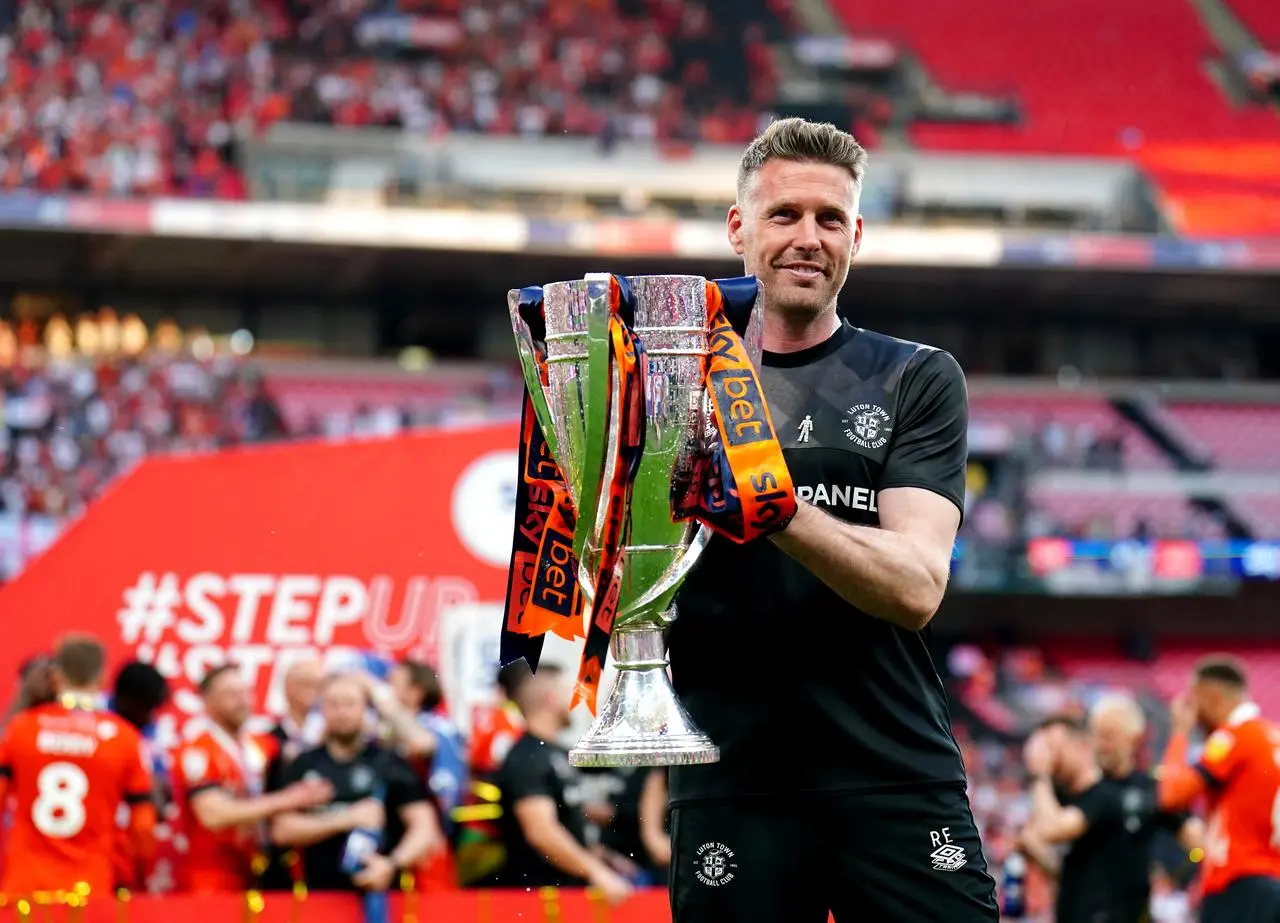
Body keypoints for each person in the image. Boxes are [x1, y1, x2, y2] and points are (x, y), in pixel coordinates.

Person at [665, 116, 997, 922]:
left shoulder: (915, 376)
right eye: (784, 215)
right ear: (739, 228)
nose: (807, 237)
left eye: (830, 218)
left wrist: (776, 508)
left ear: (857, 235)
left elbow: (918, 585)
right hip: (734, 783)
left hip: (891, 772)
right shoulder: (667, 381)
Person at [0, 635, 156, 896]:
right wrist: (132, 873)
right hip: (90, 889)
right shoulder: (123, 737)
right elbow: (143, 828)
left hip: (25, 887)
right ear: (103, 678)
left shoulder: (22, 729)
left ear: (56, 676)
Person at [270, 673, 445, 892]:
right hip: (317, 897)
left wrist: (392, 864)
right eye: (333, 704)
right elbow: (281, 830)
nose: (342, 712)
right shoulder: (302, 764)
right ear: (322, 710)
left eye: (350, 704)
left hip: (382, 896)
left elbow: (424, 826)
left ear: (365, 710)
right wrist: (344, 819)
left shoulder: (388, 762)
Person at [173, 664, 333, 893]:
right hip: (210, 877)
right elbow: (213, 814)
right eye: (231, 694)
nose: (242, 701)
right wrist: (290, 799)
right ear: (207, 702)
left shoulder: (262, 745)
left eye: (245, 692)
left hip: (256, 872)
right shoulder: (197, 750)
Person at [1021, 714, 1196, 923]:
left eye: (1054, 748)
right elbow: (1040, 843)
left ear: (1081, 744)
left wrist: (1039, 774)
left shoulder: (1106, 795)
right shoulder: (1069, 796)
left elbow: (1050, 830)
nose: (1051, 758)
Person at [490, 666, 633, 905]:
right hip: (539, 899)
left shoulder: (556, 753)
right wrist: (596, 872)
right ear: (551, 698)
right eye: (570, 692)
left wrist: (603, 858)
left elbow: (567, 818)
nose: (576, 700)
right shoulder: (526, 757)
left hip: (568, 892)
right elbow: (542, 831)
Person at [1157, 656, 1280, 923]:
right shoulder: (1271, 735)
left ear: (1212, 697)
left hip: (1237, 882)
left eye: (1194, 701)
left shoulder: (1233, 736)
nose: (1194, 712)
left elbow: (1171, 794)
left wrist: (1179, 733)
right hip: (1271, 882)